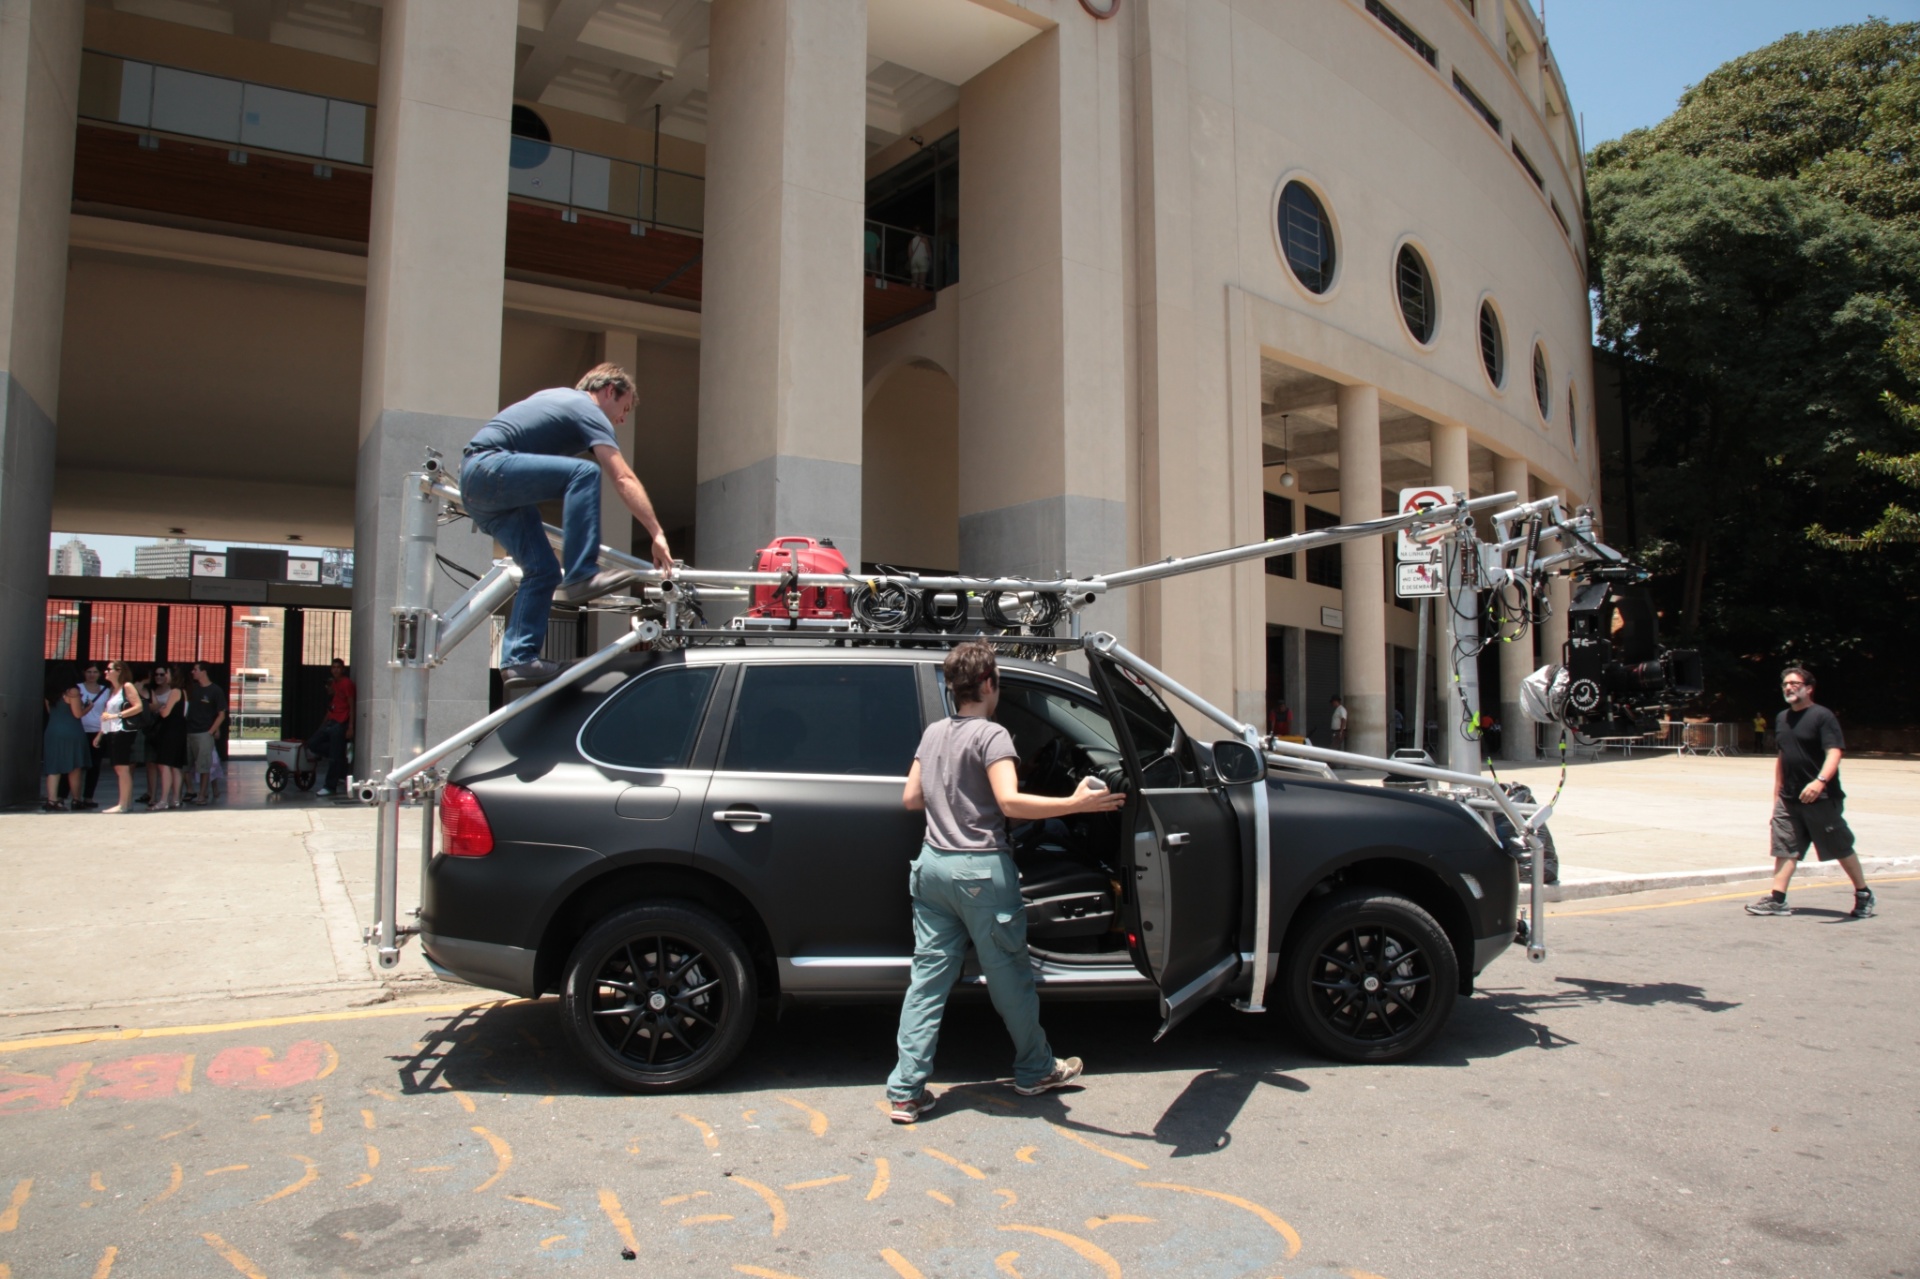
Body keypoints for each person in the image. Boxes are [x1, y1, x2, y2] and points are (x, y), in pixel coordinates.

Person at [886, 642, 1126, 1122]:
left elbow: (912, 797)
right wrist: (1075, 804)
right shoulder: (992, 735)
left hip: (933, 868)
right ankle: (1036, 1069)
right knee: (1010, 977)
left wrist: (952, 802)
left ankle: (906, 1092)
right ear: (990, 683)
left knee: (927, 982)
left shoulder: (934, 732)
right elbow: (1011, 803)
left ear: (954, 687)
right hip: (979, 872)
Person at [460, 364, 675, 687]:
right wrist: (656, 533)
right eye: (624, 407)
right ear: (607, 392)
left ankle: (519, 659)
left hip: (485, 491)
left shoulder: (559, 401)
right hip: (488, 468)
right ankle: (581, 572)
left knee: (543, 570)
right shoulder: (585, 407)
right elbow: (622, 477)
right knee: (584, 473)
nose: (622, 419)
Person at [1746, 666, 1874, 918]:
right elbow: (1783, 758)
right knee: (1785, 847)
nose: (1788, 687)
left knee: (1840, 846)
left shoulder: (1822, 716)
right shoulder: (1782, 718)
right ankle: (1777, 899)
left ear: (1809, 688)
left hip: (1820, 797)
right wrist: (1776, 796)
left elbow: (1835, 751)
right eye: (1785, 684)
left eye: (1794, 683)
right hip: (1789, 797)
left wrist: (1820, 781)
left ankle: (1863, 894)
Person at [94, 661, 144, 814]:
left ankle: (122, 804)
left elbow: (138, 706)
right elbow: (106, 715)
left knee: (122, 767)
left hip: (123, 730)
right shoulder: (112, 690)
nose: (106, 672)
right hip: (111, 730)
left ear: (119, 670)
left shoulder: (127, 687)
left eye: (109, 669)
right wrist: (100, 734)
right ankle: (126, 803)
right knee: (119, 767)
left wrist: (117, 715)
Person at [308, 657, 355, 796]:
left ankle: (330, 786)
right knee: (313, 743)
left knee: (334, 758)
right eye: (333, 667)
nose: (335, 670)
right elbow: (331, 706)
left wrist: (350, 727)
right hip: (331, 721)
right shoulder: (334, 684)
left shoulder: (347, 684)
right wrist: (321, 726)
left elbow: (352, 706)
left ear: (343, 669)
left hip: (340, 723)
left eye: (338, 667)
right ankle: (339, 754)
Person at [42, 681, 91, 812]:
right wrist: (88, 707)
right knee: (75, 766)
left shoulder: (49, 693)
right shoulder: (72, 692)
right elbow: (77, 714)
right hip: (71, 731)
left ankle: (51, 800)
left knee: (54, 766)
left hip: (53, 731)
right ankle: (76, 799)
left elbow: (50, 712)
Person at [184, 662, 227, 804]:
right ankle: (190, 790)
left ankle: (202, 795)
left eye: (195, 669)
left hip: (204, 733)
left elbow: (221, 714)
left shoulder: (215, 691)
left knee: (204, 766)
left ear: (204, 672)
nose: (192, 672)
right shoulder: (192, 690)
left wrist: (211, 731)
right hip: (189, 731)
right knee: (185, 765)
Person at [145, 664, 187, 809]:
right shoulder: (184, 691)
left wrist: (161, 708)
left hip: (170, 731)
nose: (164, 677)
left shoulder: (174, 691)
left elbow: (165, 712)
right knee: (175, 766)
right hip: (179, 731)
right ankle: (175, 799)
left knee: (164, 765)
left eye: (166, 674)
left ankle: (163, 799)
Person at [75, 663, 109, 807]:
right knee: (75, 765)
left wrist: (104, 731)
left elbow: (107, 711)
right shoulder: (77, 688)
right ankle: (66, 796)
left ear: (100, 674)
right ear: (84, 673)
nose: (91, 675)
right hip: (79, 730)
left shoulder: (105, 691)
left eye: (95, 672)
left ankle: (88, 797)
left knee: (94, 766)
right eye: (89, 671)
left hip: (97, 731)